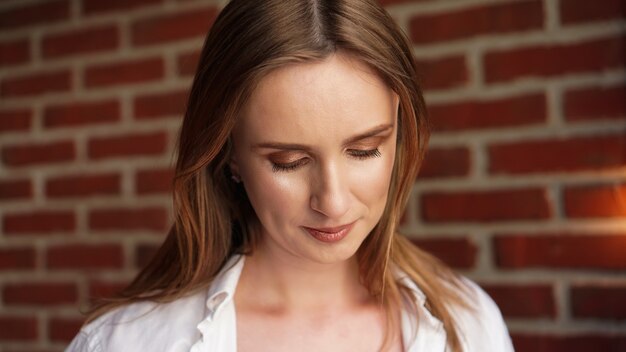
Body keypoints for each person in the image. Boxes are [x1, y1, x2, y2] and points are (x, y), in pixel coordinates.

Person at [67, 0, 514, 351]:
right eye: (288, 161)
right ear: (230, 154)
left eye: (364, 150)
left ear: (398, 125)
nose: (333, 202)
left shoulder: (470, 322)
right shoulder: (123, 342)